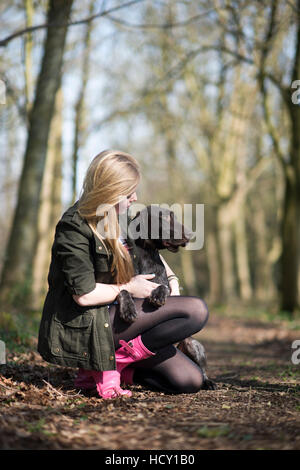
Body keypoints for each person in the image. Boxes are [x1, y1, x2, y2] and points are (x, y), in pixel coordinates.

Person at [37, 149, 209, 399]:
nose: (135, 198)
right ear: (109, 191)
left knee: (189, 380)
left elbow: (150, 253)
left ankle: (121, 365)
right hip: (87, 324)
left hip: (121, 322)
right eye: (129, 193)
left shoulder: (119, 219)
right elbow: (83, 296)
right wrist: (128, 288)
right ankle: (99, 362)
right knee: (195, 311)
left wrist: (172, 281)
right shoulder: (73, 228)